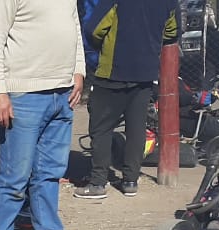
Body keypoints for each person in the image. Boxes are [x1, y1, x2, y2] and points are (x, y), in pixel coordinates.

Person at [0, 0, 91, 230]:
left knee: (50, 173)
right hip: (23, 94)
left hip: (63, 93)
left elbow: (75, 28)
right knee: (14, 176)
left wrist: (79, 71)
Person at [76, 0, 179, 200]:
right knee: (136, 128)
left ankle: (98, 182)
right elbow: (172, 31)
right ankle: (130, 181)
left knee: (101, 128)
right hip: (145, 72)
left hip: (112, 71)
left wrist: (102, 45)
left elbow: (94, 29)